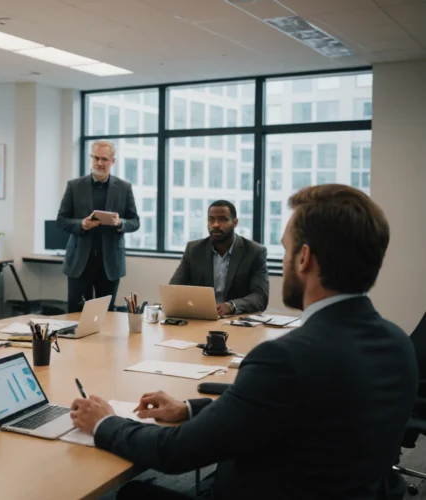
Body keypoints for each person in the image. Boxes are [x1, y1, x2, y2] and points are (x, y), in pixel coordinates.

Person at [69, 185, 416, 500]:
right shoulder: (398, 343)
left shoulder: (284, 359)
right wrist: (188, 409)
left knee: (133, 494)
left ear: (304, 258)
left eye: (287, 248)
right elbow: (283, 406)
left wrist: (105, 422)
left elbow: (173, 453)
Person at [57, 140, 140, 312]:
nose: (99, 163)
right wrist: (82, 224)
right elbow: (61, 220)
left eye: (104, 159)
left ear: (113, 161)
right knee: (76, 316)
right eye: (96, 158)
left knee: (106, 317)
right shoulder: (74, 186)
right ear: (91, 158)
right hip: (79, 262)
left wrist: (120, 223)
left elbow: (135, 221)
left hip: (109, 264)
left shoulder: (124, 188)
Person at [169, 200, 269, 316]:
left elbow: (260, 297)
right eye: (211, 219)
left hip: (237, 321)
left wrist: (231, 306)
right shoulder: (194, 249)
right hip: (201, 318)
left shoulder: (254, 252)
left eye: (223, 219)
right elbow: (174, 289)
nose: (216, 224)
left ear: (235, 223)